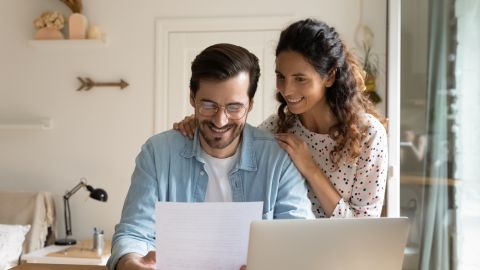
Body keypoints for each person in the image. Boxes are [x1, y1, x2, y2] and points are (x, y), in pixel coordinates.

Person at [107, 43, 314, 270]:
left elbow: (298, 243)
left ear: (250, 105)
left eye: (234, 107)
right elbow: (133, 233)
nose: (220, 121)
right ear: (192, 98)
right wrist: (130, 263)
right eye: (208, 105)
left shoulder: (279, 160)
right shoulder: (157, 153)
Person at [174, 18, 388, 219]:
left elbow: (363, 227)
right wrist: (203, 121)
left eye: (300, 79)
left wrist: (310, 169)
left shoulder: (369, 135)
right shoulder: (277, 128)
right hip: (288, 251)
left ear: (329, 76)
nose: (287, 89)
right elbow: (231, 138)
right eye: (281, 77)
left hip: (343, 255)